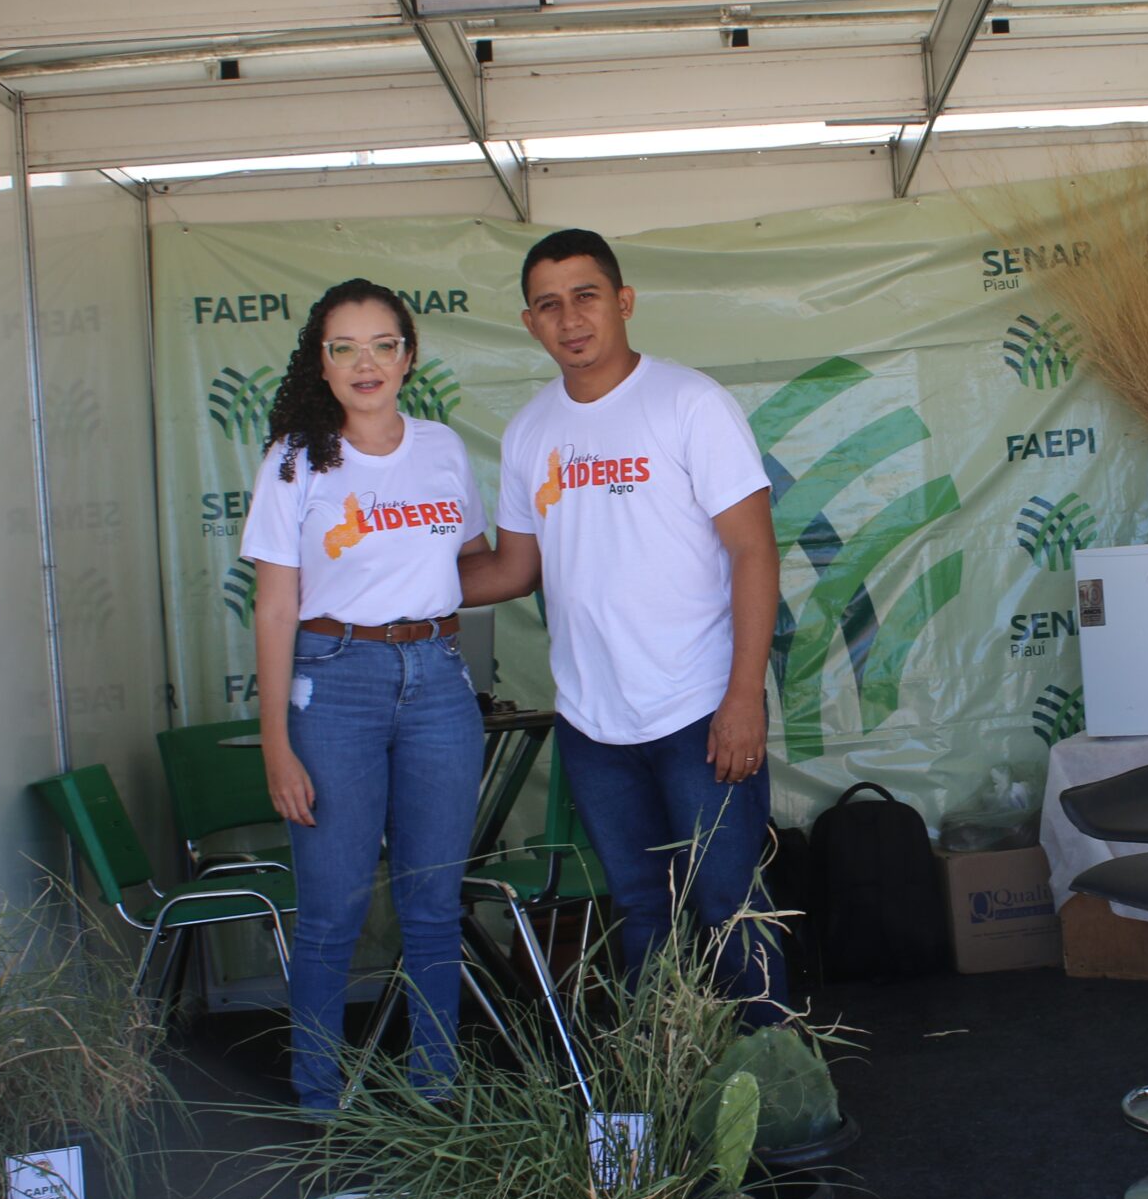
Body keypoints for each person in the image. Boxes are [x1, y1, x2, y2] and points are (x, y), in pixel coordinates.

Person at [460, 229, 785, 1022]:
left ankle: (778, 1084)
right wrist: (381, 586)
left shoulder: (688, 402)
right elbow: (512, 569)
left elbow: (754, 550)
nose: (569, 318)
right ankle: (667, 1083)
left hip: (701, 707)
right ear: (530, 323)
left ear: (624, 301)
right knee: (644, 912)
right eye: (548, 305)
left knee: (729, 909)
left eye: (586, 296)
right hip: (594, 724)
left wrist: (744, 695)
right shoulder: (530, 431)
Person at [240, 279, 488, 1116]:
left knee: (433, 905)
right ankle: (320, 1096)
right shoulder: (295, 458)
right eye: (344, 347)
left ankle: (434, 1090)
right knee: (332, 909)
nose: (365, 362)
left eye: (383, 344)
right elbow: (275, 607)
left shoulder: (443, 448)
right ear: (321, 362)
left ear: (409, 357)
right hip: (334, 679)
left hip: (438, 679)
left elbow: (470, 562)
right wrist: (276, 742)